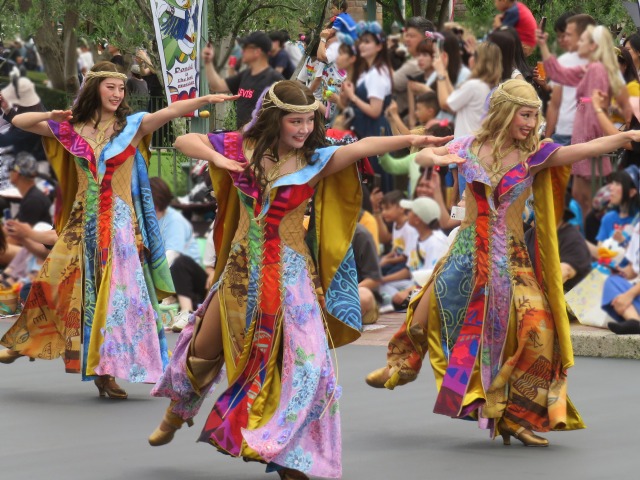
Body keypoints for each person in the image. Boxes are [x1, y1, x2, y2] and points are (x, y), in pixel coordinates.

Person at [148, 80, 450, 480]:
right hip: (240, 274)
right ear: (275, 119)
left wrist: (410, 138)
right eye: (295, 121)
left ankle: (295, 457)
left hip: (291, 279)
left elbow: (361, 148)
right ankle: (176, 413)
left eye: (309, 120)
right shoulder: (243, 149)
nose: (304, 129)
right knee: (203, 350)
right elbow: (187, 140)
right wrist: (218, 160)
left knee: (309, 366)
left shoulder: (315, 160)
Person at [365, 79, 640, 446]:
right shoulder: (469, 145)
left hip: (511, 257)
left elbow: (584, 150)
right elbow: (421, 157)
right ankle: (401, 365)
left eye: (535, 115)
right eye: (525, 115)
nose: (531, 122)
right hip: (466, 251)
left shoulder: (535, 154)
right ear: (506, 112)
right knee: (427, 311)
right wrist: (436, 157)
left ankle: (516, 415)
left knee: (539, 330)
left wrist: (624, 139)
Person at [0, 62, 238, 399]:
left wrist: (205, 99)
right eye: (110, 86)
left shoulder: (133, 126)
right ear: (94, 89)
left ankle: (107, 373)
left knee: (117, 302)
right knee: (54, 282)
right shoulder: (71, 128)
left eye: (121, 88)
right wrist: (51, 114)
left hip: (120, 228)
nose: (117, 94)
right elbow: (19, 121)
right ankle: (23, 343)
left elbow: (170, 112)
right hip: (82, 222)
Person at [539, 24, 632, 221]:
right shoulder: (592, 68)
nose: (578, 43)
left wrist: (590, 145)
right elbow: (559, 73)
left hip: (589, 137)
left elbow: (595, 105)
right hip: (585, 137)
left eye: (582, 40)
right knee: (583, 197)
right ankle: (587, 239)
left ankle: (589, 241)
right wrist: (543, 46)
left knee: (587, 199)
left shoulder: (596, 69)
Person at [149, 176, 207, 333]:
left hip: (194, 282)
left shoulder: (174, 220)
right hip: (172, 282)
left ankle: (187, 312)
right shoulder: (151, 221)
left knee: (179, 262)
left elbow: (171, 256)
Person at [204, 31, 283, 130]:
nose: (242, 51)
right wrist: (208, 62)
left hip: (262, 141)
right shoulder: (245, 74)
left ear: (257, 52)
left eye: (245, 47)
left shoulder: (274, 79)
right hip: (244, 138)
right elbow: (217, 86)